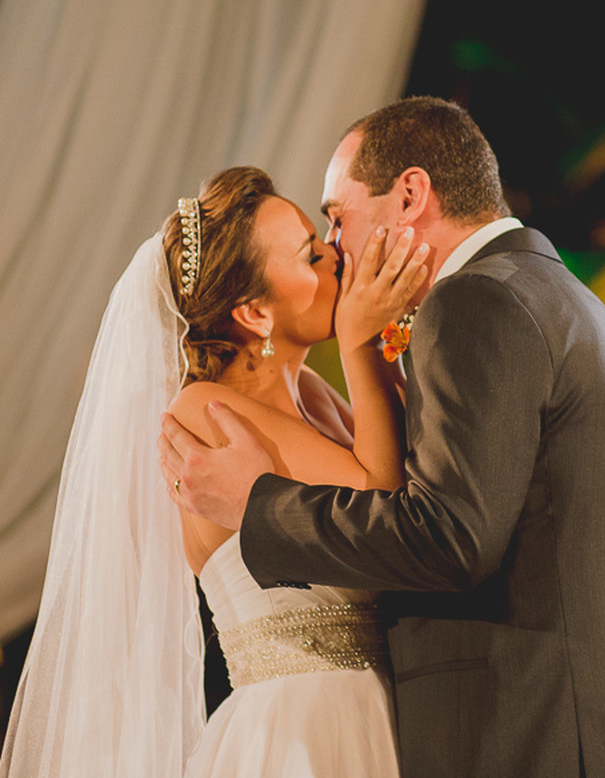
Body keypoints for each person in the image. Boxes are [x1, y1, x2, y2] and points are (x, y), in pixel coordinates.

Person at [160, 97, 605, 778]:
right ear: (251, 309)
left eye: (335, 220)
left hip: (524, 734)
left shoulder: (476, 301)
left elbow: (447, 534)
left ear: (409, 195)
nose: (337, 251)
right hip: (547, 731)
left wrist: (260, 503)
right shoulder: (583, 312)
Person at [1, 166, 427, 777]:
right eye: (311, 253)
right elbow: (384, 514)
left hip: (384, 712)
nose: (335, 255)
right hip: (302, 731)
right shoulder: (205, 411)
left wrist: (392, 336)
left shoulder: (312, 391)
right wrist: (361, 345)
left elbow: (425, 489)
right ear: (255, 312)